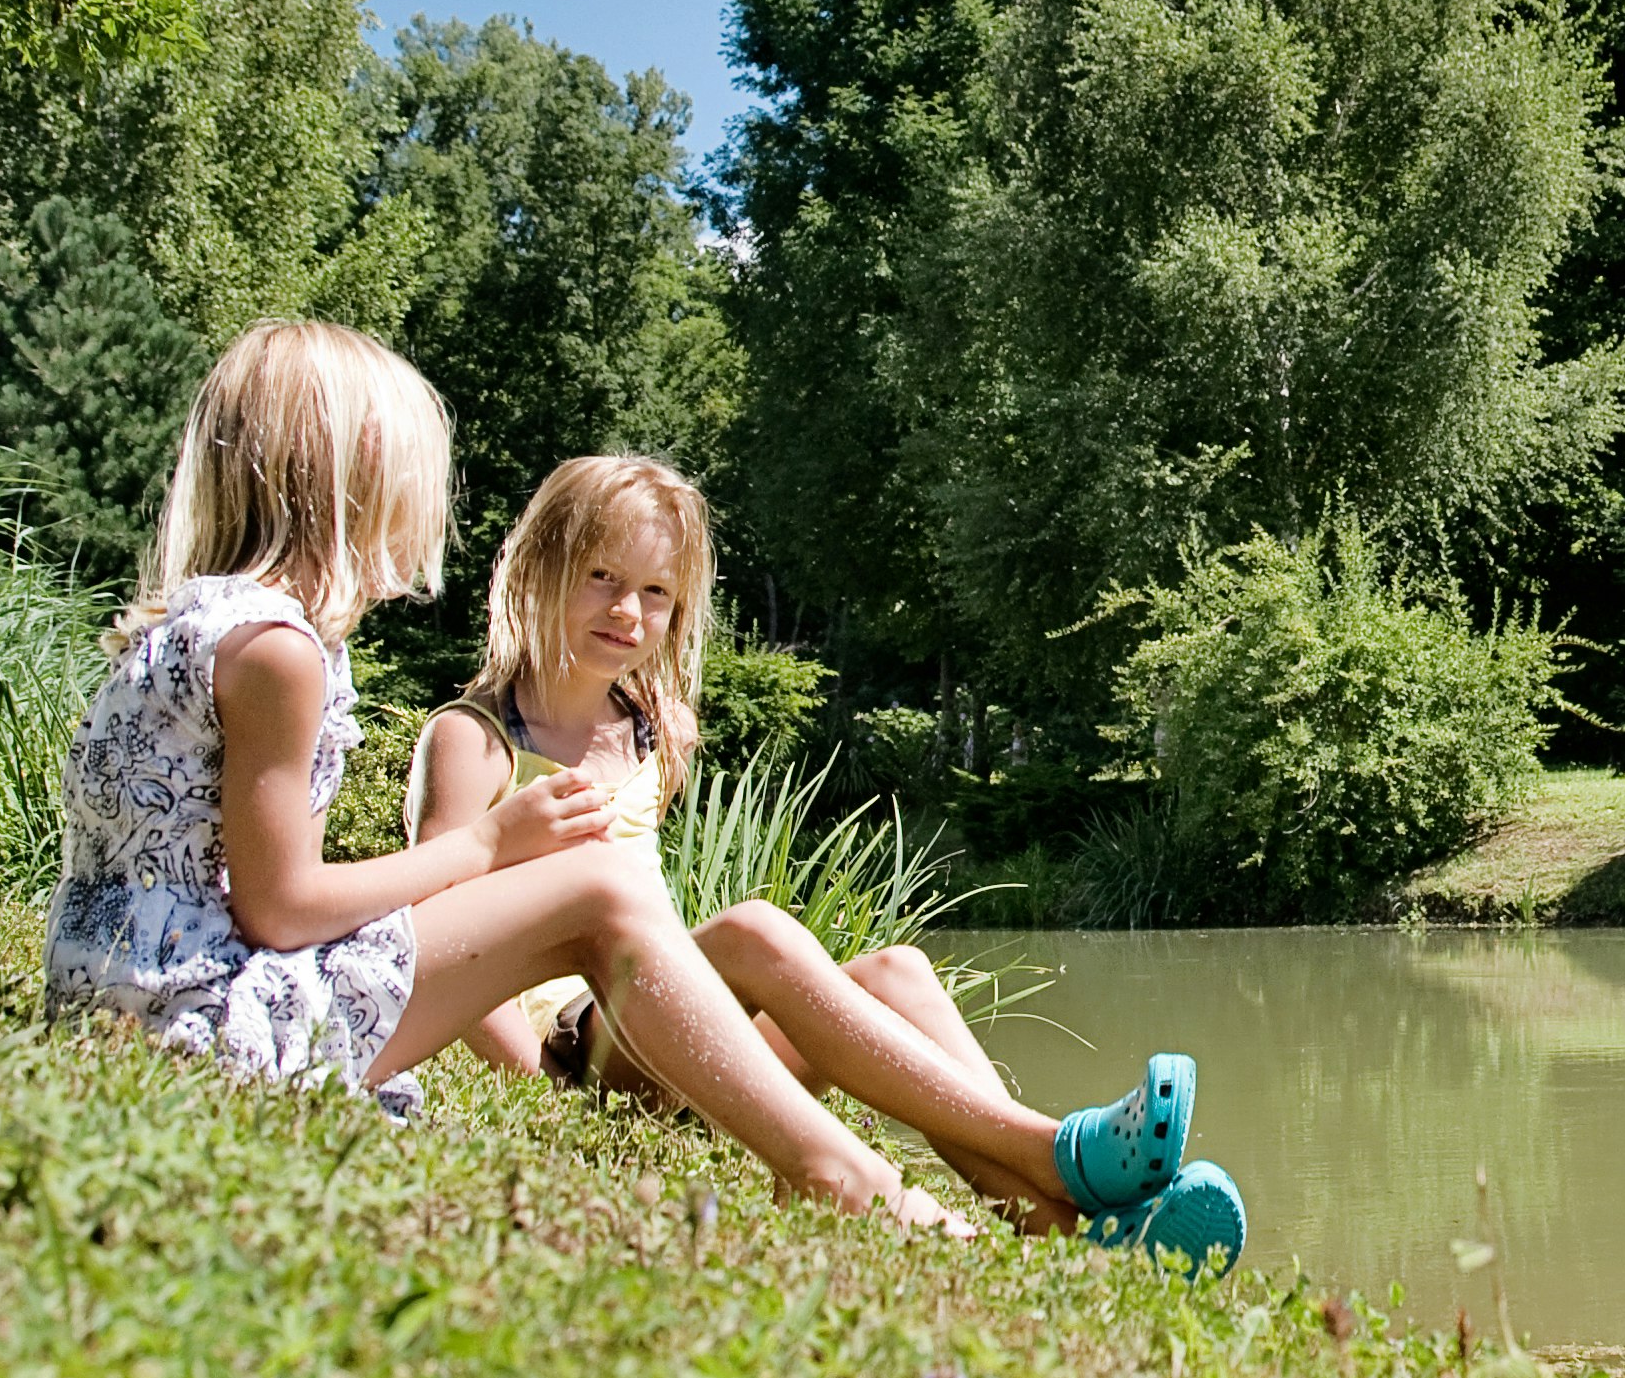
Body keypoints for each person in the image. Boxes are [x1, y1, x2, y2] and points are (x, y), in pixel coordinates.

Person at [46, 322, 984, 1228]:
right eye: (411, 479)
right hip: (232, 1019)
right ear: (348, 485)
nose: (424, 510)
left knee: (895, 968)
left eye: (656, 593)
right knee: (730, 924)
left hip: (146, 995)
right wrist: (493, 850)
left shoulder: (211, 629)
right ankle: (856, 1174)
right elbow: (288, 909)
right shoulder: (296, 661)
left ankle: (1034, 1180)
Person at [407, 454, 1242, 1268]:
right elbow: (436, 944)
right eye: (602, 577)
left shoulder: (655, 731)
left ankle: (1063, 1233)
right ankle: (1054, 1151)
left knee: (899, 972)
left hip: (680, 1035)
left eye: (656, 592)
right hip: (578, 1053)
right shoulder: (475, 741)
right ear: (538, 567)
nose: (629, 609)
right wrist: (543, 1100)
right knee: (752, 931)